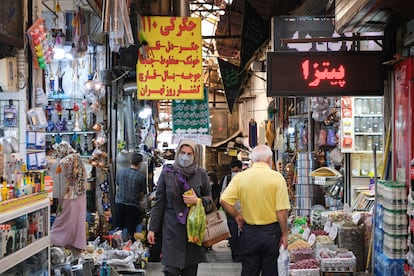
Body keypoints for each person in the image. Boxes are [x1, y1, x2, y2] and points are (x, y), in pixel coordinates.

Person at [220, 144, 290, 276]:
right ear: (269, 159)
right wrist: (285, 234)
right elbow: (281, 211)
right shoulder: (277, 178)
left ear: (252, 160)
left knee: (249, 271)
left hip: (249, 232)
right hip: (271, 233)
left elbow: (224, 200)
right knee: (270, 271)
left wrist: (237, 215)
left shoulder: (240, 177)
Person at [147, 139, 212, 276]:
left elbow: (210, 200)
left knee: (190, 270)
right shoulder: (167, 173)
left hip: (193, 231)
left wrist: (198, 200)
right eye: (183, 152)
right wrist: (152, 229)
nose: (185, 156)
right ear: (177, 153)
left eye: (189, 154)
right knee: (170, 270)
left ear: (195, 156)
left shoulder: (200, 174)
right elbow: (159, 203)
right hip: (171, 228)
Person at [50, 141, 88, 253]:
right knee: (77, 221)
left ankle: (55, 239)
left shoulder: (66, 160)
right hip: (80, 196)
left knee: (63, 220)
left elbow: (57, 177)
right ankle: (76, 244)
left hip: (69, 196)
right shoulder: (78, 158)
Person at [113, 152, 147, 241]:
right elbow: (141, 194)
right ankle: (128, 250)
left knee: (117, 230)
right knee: (130, 233)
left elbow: (118, 186)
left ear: (131, 161)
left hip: (119, 204)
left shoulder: (121, 172)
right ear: (140, 164)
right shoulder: (141, 177)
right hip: (132, 207)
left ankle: (116, 248)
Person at [220, 159, 243, 262]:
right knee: (233, 234)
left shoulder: (245, 178)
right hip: (231, 210)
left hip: (244, 211)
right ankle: (236, 255)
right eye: (233, 171)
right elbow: (223, 194)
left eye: (237, 171)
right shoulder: (227, 179)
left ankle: (243, 253)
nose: (235, 173)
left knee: (243, 234)